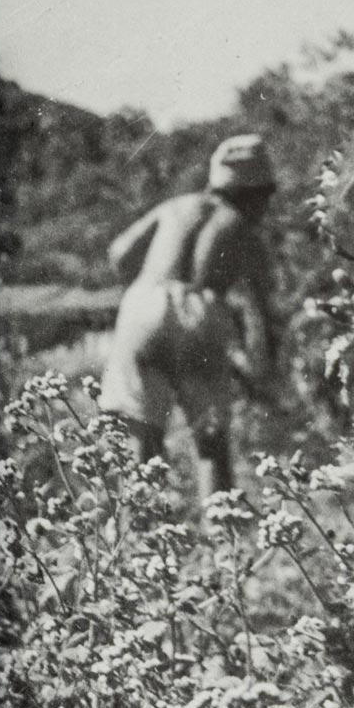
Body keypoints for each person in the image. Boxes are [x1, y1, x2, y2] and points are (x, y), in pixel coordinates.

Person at [98, 135, 277, 498]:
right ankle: (221, 526)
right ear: (256, 193)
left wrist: (155, 283)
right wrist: (264, 365)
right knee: (211, 443)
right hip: (204, 312)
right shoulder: (244, 229)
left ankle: (138, 525)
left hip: (144, 305)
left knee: (142, 433)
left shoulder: (177, 206)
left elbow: (120, 254)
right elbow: (262, 306)